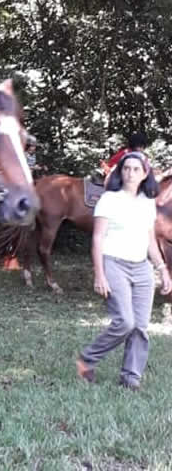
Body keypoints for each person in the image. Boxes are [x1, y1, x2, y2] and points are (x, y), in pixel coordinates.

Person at [76, 151, 172, 390]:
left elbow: (150, 240)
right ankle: (87, 359)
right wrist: (99, 274)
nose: (130, 173)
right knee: (125, 322)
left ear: (145, 173)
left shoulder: (148, 201)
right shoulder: (109, 200)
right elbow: (97, 239)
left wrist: (163, 269)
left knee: (140, 326)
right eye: (126, 168)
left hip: (142, 268)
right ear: (120, 172)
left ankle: (131, 377)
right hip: (114, 264)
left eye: (135, 169)